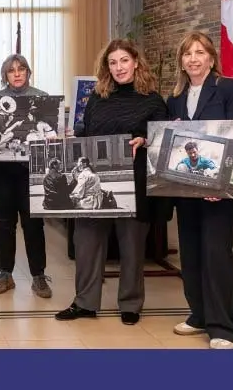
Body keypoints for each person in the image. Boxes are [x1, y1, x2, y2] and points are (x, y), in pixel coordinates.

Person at [55, 38, 169, 325]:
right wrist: (68, 139)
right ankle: (85, 302)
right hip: (97, 182)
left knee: (131, 246)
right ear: (106, 67)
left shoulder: (154, 100)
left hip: (135, 183)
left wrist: (144, 139)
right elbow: (86, 133)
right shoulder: (97, 98)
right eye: (113, 62)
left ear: (136, 62)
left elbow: (162, 138)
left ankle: (130, 304)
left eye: (124, 61)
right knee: (86, 242)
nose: (119, 67)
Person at [166, 30, 233, 349]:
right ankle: (199, 315)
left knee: (216, 255)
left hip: (218, 192)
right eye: (188, 54)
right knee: (191, 253)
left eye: (200, 52)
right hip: (186, 192)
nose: (193, 58)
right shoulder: (175, 96)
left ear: (211, 59)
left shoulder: (228, 88)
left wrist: (221, 183)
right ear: (182, 62)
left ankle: (224, 328)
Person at [0, 54, 53, 298]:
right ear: (5, 74)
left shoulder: (43, 98)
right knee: (4, 222)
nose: (17, 73)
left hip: (32, 171)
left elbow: (50, 132)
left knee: (33, 222)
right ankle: (5, 274)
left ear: (28, 72)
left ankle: (38, 276)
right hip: (2, 170)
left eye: (21, 69)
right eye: (11, 70)